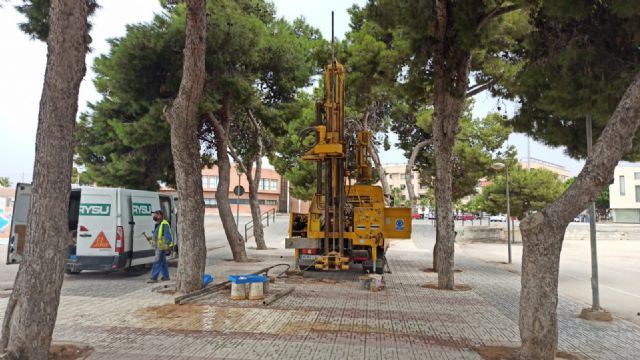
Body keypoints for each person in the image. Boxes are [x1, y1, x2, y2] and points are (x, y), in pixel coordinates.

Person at [147, 210, 173, 283]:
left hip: (162, 247)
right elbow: (159, 236)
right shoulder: (158, 224)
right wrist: (151, 238)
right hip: (159, 246)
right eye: (154, 215)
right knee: (162, 261)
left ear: (161, 216)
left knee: (157, 261)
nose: (155, 216)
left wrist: (167, 246)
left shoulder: (164, 224)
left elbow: (167, 236)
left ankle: (153, 278)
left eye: (157, 215)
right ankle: (166, 277)